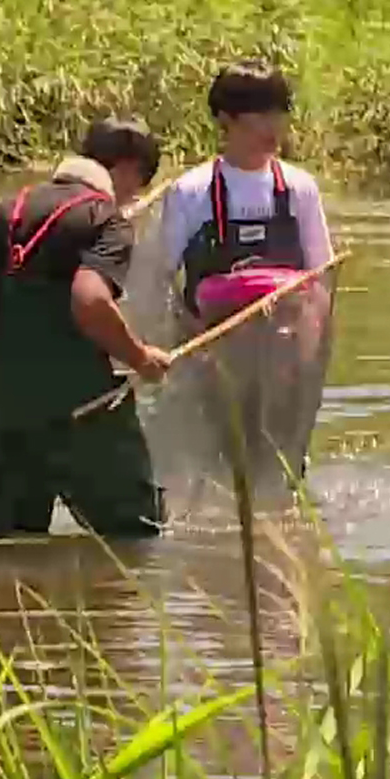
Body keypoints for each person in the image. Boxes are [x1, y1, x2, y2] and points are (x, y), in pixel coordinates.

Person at [0, 117, 172, 542]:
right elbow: (91, 299)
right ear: (129, 169)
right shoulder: (105, 220)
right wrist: (139, 357)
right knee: (134, 536)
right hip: (77, 399)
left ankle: (4, 607)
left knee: (1, 544)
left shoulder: (6, 209)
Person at [152, 58, 335, 483]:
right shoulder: (192, 191)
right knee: (220, 470)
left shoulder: (299, 189)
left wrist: (309, 351)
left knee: (281, 471)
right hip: (215, 360)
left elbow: (320, 279)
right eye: (259, 115)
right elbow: (163, 277)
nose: (272, 127)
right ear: (226, 119)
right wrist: (188, 344)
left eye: (279, 113)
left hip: (284, 360)